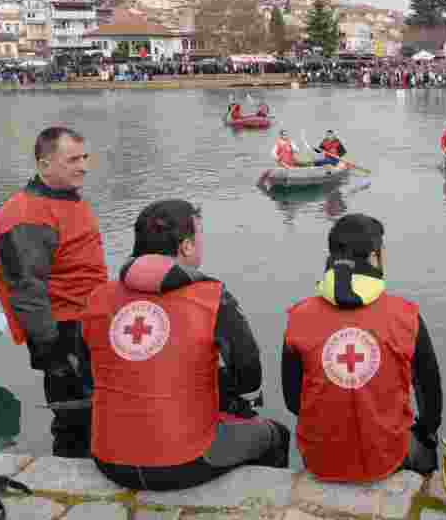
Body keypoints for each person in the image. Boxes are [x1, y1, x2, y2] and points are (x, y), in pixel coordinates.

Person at [80, 200, 290, 491]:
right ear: (187, 246)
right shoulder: (213, 297)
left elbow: (88, 377)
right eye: (200, 235)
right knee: (275, 435)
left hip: (108, 457)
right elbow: (249, 377)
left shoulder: (97, 298)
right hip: (182, 461)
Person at [283, 214, 443, 482]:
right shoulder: (406, 317)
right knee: (426, 445)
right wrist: (425, 430)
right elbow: (431, 400)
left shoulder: (298, 317)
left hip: (320, 459)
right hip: (388, 458)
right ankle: (420, 488)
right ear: (374, 258)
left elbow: (292, 401)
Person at [0, 126, 109, 458]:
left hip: (89, 323)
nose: (83, 166)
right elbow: (26, 289)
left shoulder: (66, 200)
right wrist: (51, 351)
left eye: (84, 157)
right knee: (74, 418)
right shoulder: (24, 215)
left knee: (100, 411)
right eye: (72, 159)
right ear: (44, 165)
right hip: (63, 332)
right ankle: (73, 475)